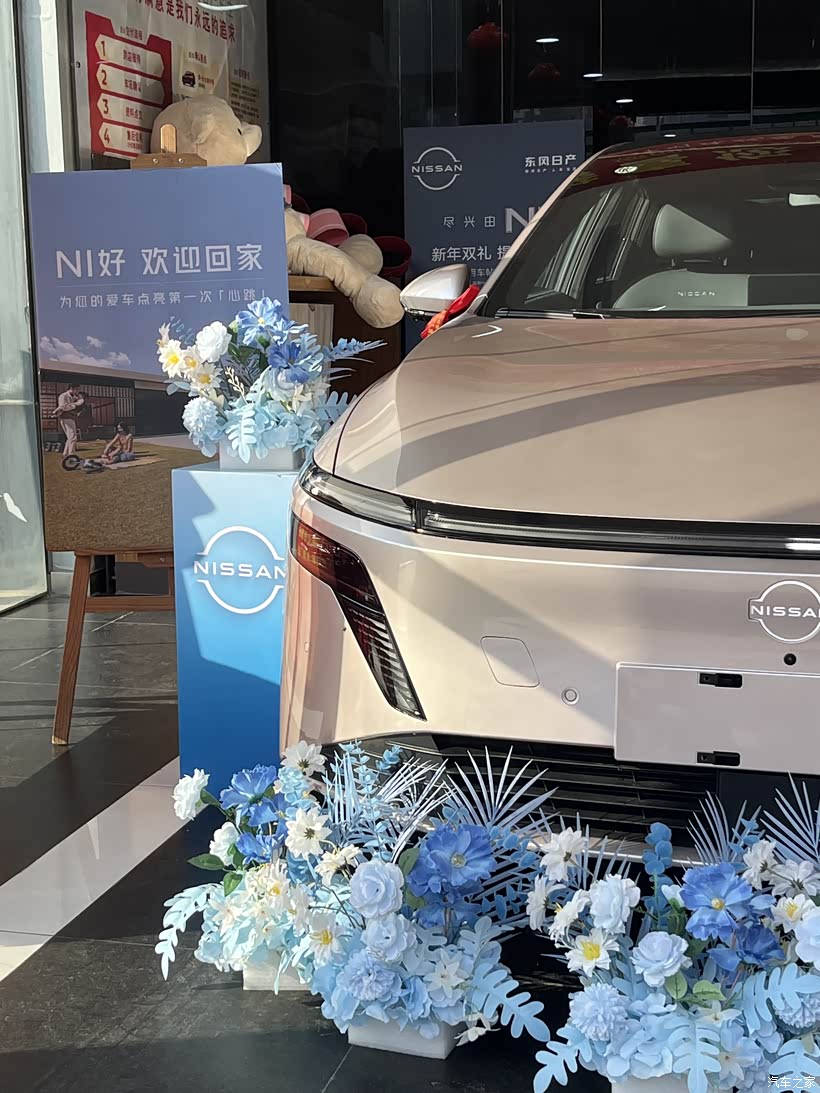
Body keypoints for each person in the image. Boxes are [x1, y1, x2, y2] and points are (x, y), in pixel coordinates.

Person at [51, 384, 85, 456]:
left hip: (71, 417)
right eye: (77, 389)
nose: (78, 391)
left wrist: (79, 400)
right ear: (72, 388)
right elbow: (63, 407)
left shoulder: (74, 396)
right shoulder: (63, 396)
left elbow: (80, 402)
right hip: (66, 418)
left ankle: (66, 454)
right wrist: (75, 405)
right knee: (73, 437)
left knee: (70, 438)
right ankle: (71, 455)